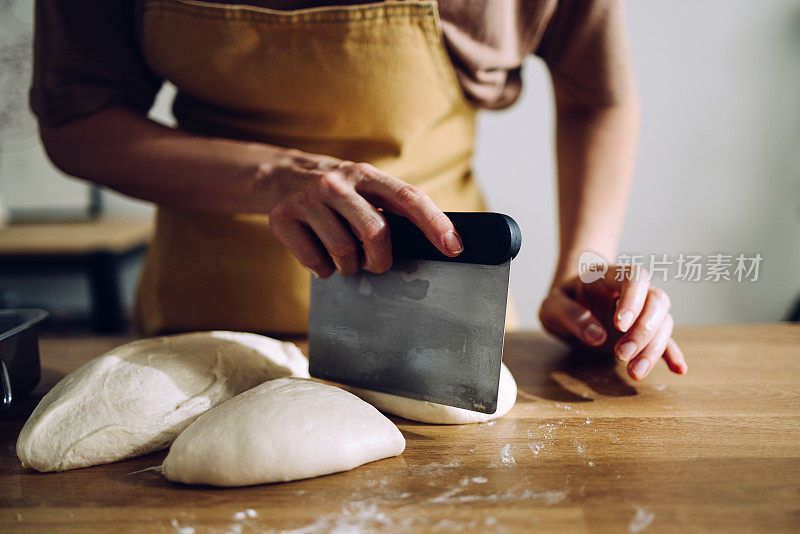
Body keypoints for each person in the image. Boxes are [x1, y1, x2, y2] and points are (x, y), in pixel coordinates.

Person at [31, 0, 686, 381]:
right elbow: (74, 118)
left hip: (449, 328)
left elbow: (595, 92)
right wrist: (271, 176)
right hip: (205, 321)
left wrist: (583, 267)